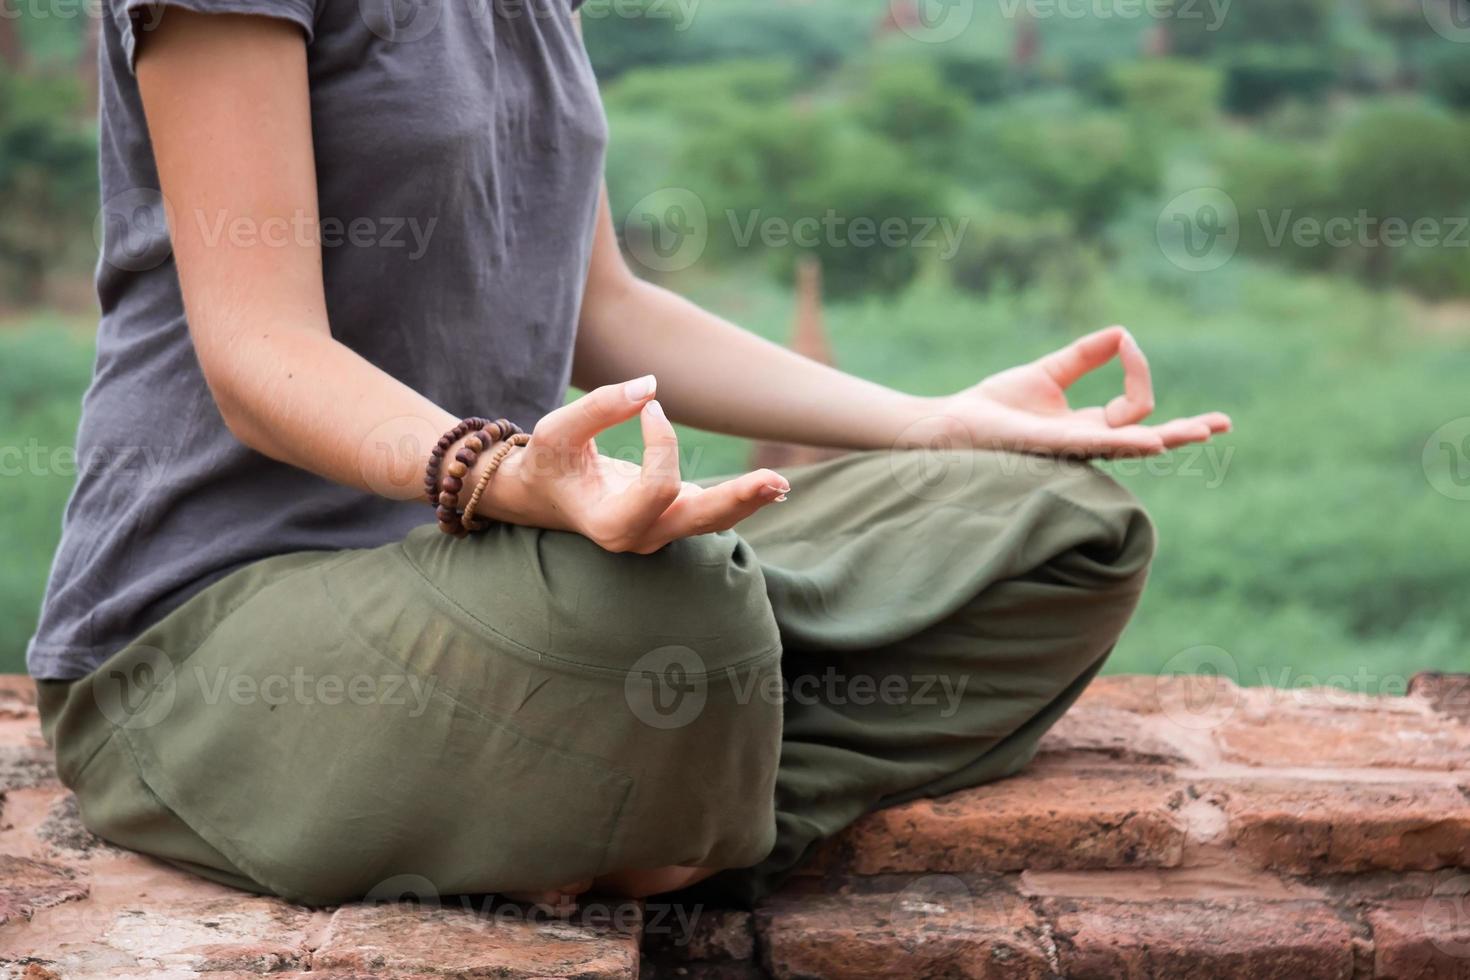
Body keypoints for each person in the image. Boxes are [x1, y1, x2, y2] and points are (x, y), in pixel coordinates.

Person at [30, 1, 1230, 908]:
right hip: (206, 634)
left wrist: (938, 420)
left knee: (1061, 526)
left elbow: (611, 310)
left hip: (515, 584)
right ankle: (668, 763)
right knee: (678, 624)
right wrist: (492, 472)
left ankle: (656, 786)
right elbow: (256, 346)